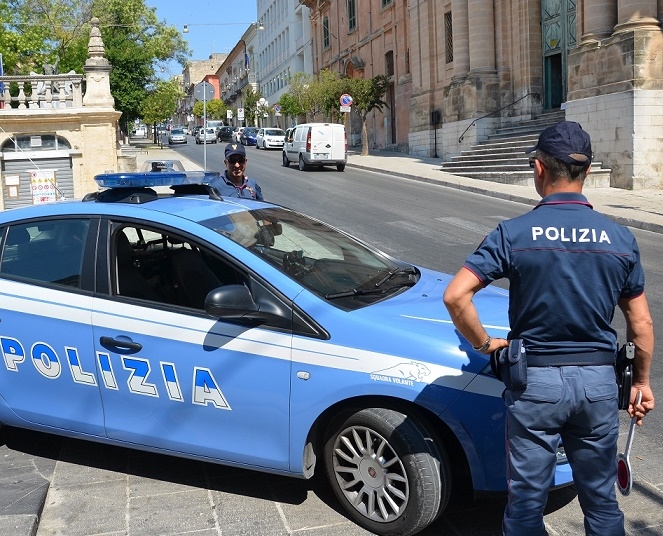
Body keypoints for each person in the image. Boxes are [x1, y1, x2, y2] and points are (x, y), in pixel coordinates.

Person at [442, 121, 654, 536]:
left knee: (525, 506)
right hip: (598, 384)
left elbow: (455, 296)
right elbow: (640, 322)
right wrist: (641, 383)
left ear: (539, 170)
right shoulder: (620, 237)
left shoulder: (514, 233)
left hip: (536, 386)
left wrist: (486, 344)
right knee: (601, 502)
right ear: (587, 172)